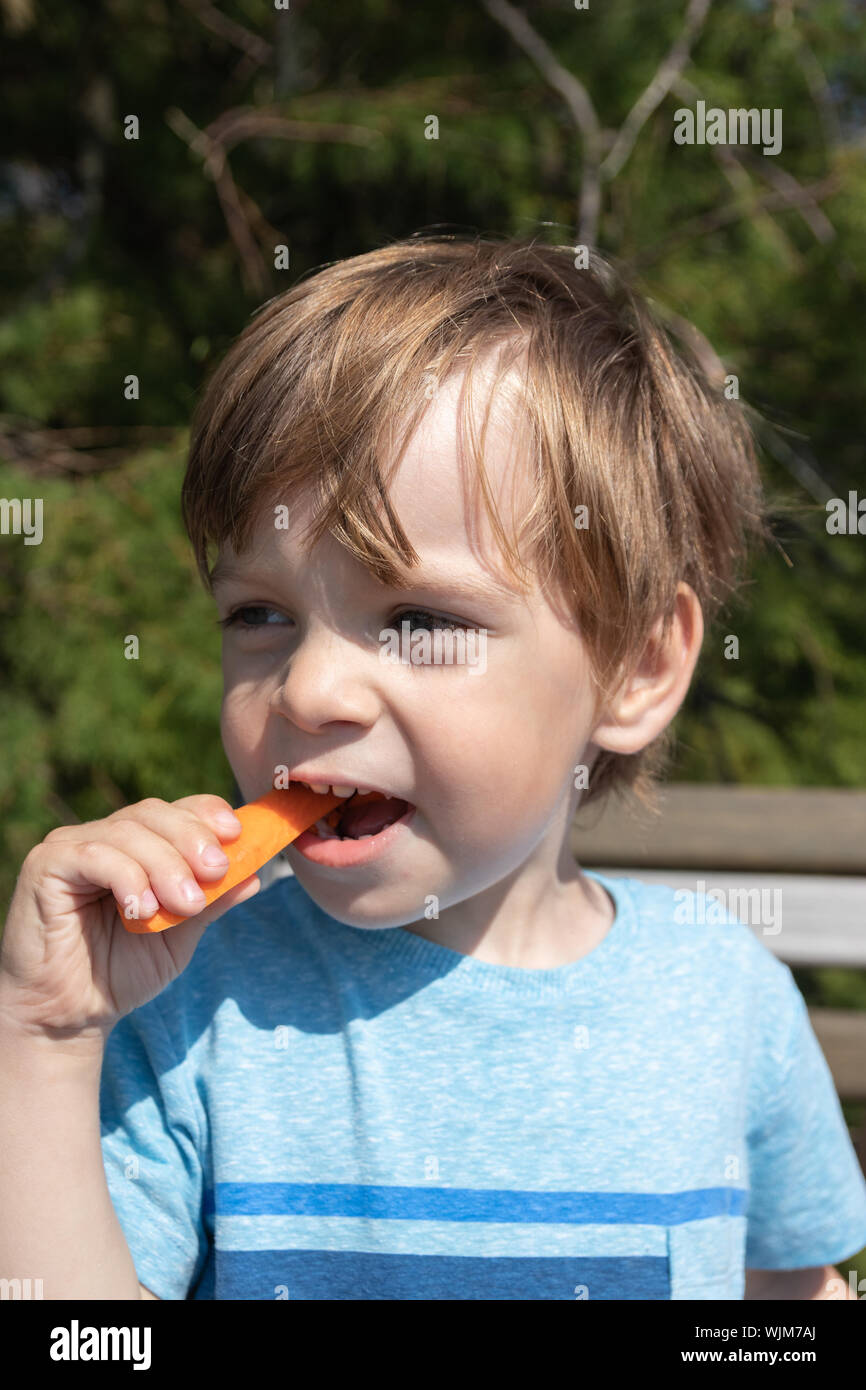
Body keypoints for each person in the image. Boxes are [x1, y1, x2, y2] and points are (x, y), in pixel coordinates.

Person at [2, 235, 864, 1300]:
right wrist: (43, 1039)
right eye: (259, 613)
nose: (309, 688)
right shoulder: (189, 1004)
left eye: (415, 617)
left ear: (635, 664)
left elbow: (791, 1294)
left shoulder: (723, 1000)